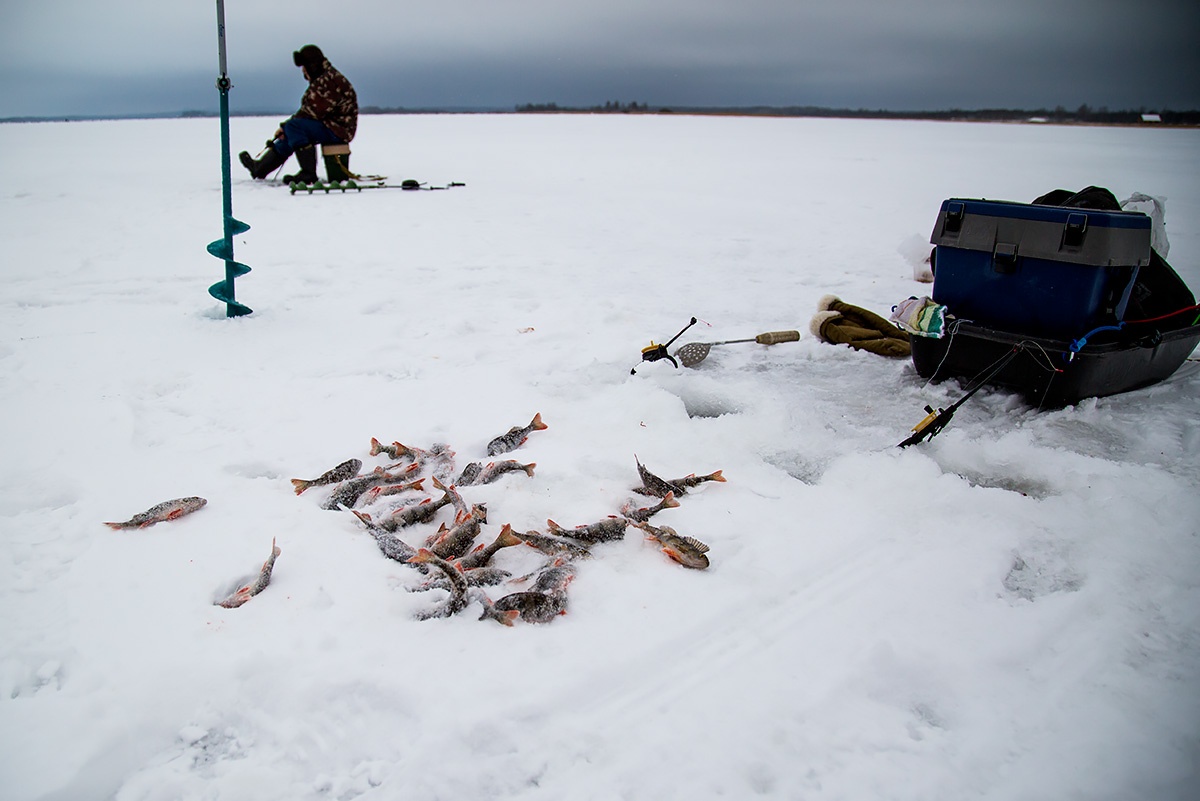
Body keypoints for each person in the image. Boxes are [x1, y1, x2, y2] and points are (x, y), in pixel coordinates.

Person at [239, 44, 358, 183]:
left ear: (311, 66)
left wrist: (286, 127)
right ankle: (260, 168)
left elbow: (312, 112)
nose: (303, 71)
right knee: (291, 130)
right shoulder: (323, 78)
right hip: (330, 125)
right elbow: (309, 110)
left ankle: (308, 173)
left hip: (339, 129)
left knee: (293, 127)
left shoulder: (329, 81)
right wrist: (285, 128)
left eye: (304, 67)